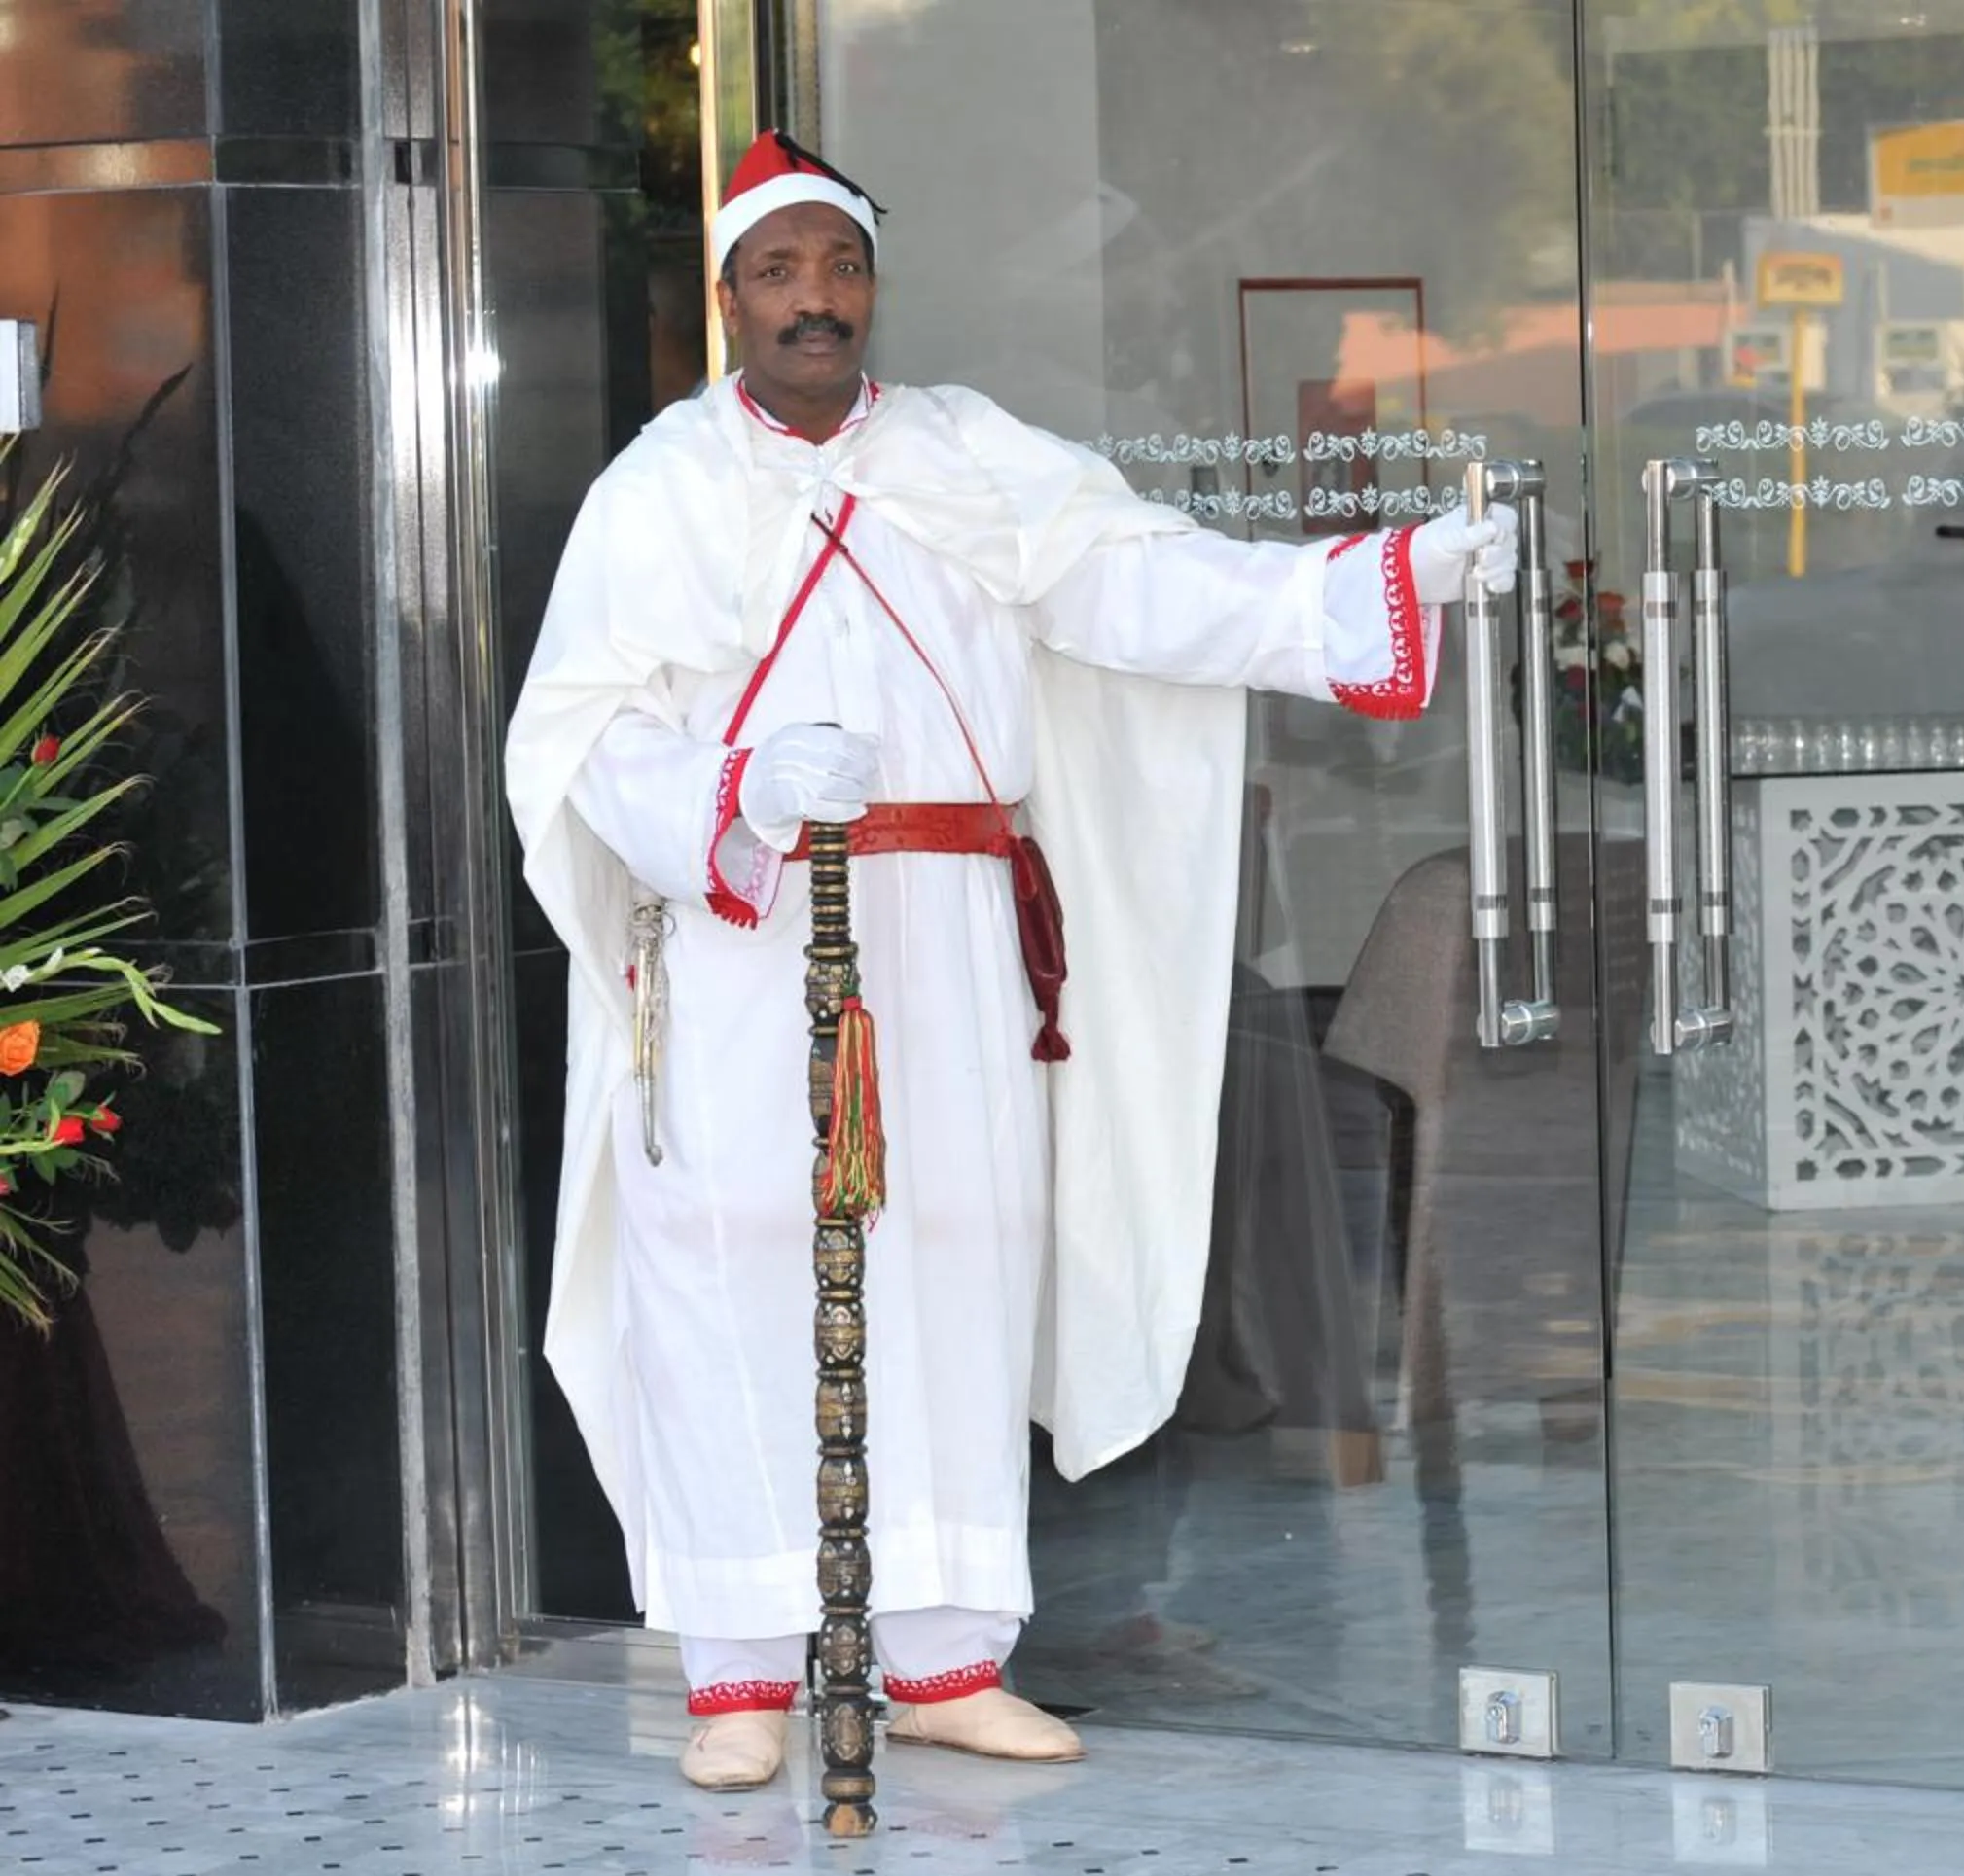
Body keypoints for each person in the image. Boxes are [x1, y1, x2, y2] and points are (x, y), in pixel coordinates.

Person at [503, 132, 1514, 1792]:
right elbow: (577, 739)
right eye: (779, 270)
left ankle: (944, 1657)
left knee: (958, 1255)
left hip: (957, 934)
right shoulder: (656, 491)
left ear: (871, 287)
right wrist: (738, 790)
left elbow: (1146, 582)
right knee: (732, 1260)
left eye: (839, 267)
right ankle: (743, 1668)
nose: (814, 298)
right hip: (751, 933)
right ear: (728, 297)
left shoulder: (969, 455)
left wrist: (1377, 585)